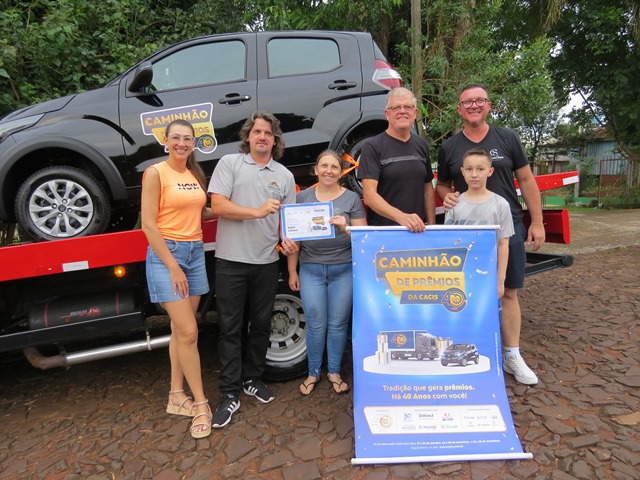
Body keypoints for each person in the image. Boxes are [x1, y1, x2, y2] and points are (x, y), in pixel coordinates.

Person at [437, 83, 546, 385]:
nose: (473, 105)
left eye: (479, 100)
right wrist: (446, 197)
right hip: (467, 234)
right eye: (467, 102)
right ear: (459, 109)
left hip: (506, 228)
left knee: (508, 291)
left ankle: (512, 355)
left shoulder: (507, 137)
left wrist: (537, 222)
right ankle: (469, 351)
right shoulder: (449, 147)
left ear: (488, 105)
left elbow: (527, 179)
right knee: (464, 294)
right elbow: (442, 185)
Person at [208, 111, 298, 428]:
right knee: (230, 329)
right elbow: (218, 206)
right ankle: (229, 393)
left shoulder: (284, 176)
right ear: (248, 136)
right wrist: (257, 212)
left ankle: (252, 379)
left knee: (260, 325)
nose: (262, 137)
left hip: (266, 262)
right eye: (257, 131)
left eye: (268, 133)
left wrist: (288, 242)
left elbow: (288, 222)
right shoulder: (230, 164)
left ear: (275, 140)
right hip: (231, 261)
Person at [140, 119, 215, 439]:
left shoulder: (193, 173)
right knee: (189, 332)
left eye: (187, 138)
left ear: (194, 143)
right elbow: (148, 224)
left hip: (195, 252)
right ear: (166, 141)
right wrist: (172, 266)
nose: (182, 143)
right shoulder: (155, 173)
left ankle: (175, 395)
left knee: (180, 331)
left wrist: (238, 208)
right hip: (167, 255)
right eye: (176, 138)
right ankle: (201, 404)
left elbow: (202, 212)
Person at [287, 151, 367, 396]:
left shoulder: (352, 198)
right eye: (324, 166)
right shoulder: (302, 198)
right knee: (315, 323)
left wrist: (345, 227)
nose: (329, 171)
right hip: (310, 269)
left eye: (334, 167)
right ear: (316, 169)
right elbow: (295, 238)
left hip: (343, 268)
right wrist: (291, 271)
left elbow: (363, 239)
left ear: (341, 172)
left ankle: (334, 372)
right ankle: (313, 372)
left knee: (338, 324)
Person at [357, 87, 436, 230]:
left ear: (415, 113)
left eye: (407, 107)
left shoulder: (421, 145)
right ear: (387, 114)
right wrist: (402, 217)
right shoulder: (373, 147)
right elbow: (369, 196)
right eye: (396, 108)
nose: (402, 111)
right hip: (386, 233)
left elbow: (427, 189)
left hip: (418, 231)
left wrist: (431, 226)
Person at [444, 148, 514, 299]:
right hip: (460, 274)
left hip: (488, 272)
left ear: (490, 171)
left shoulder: (501, 204)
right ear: (462, 171)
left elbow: (503, 244)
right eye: (469, 169)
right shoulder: (453, 204)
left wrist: (500, 281)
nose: (474, 174)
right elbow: (449, 243)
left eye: (480, 169)